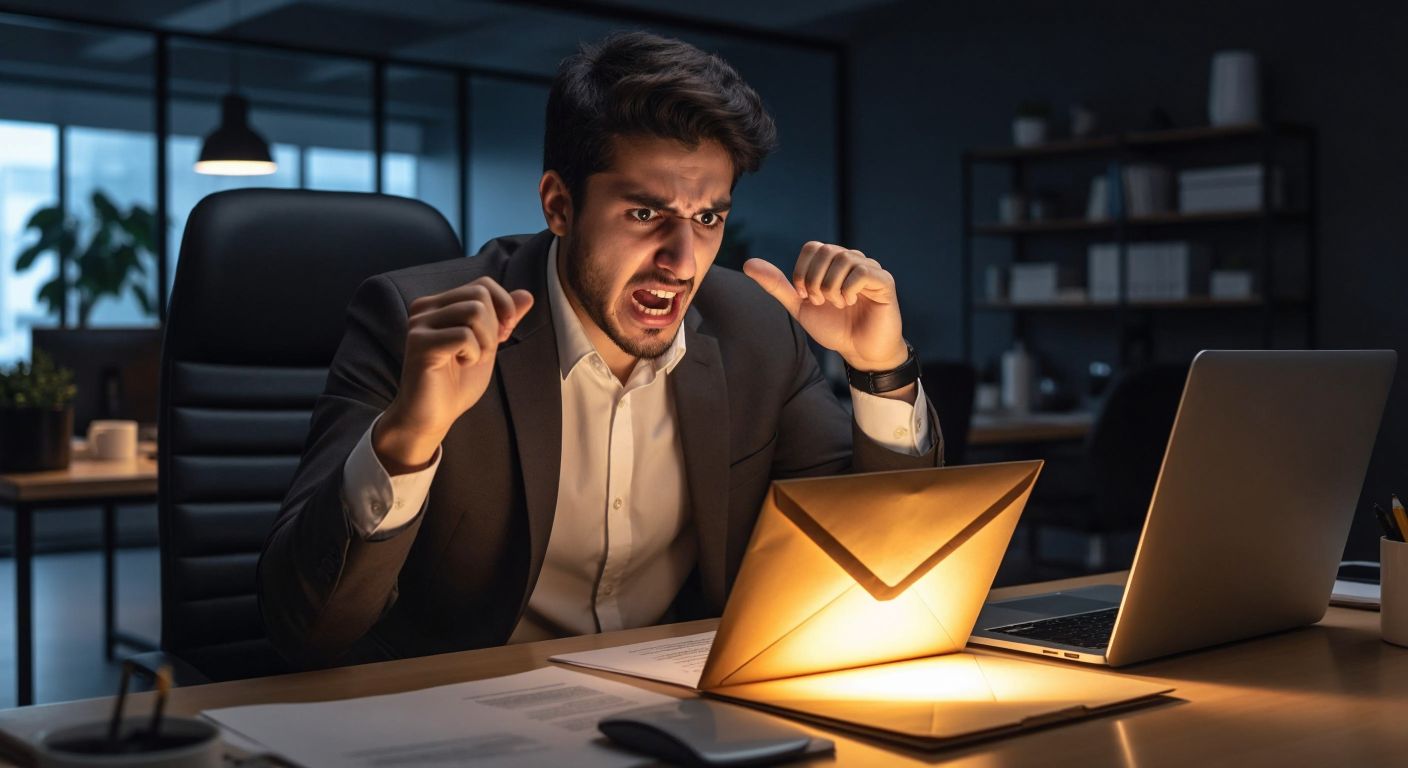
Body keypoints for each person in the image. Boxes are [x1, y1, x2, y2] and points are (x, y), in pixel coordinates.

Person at [258, 31, 943, 669]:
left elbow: (881, 566)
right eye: (645, 214)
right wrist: (409, 437)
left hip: (677, 709)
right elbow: (306, 626)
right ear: (559, 206)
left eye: (708, 218)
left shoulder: (754, 330)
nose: (682, 262)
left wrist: (881, 371)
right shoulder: (414, 324)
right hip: (462, 713)